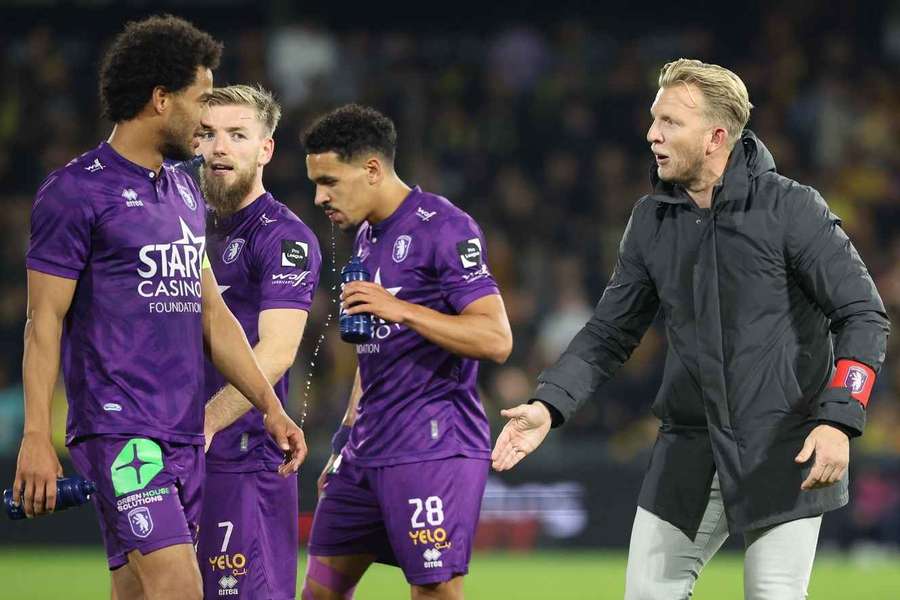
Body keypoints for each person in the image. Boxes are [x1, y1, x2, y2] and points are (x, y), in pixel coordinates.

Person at [492, 58, 890, 600]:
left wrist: (840, 420)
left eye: (670, 122)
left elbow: (863, 315)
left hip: (784, 448)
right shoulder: (651, 220)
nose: (651, 134)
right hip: (688, 450)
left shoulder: (792, 209)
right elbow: (610, 331)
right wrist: (548, 405)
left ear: (716, 137)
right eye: (654, 119)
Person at [13, 16, 306, 600]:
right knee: (179, 587)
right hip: (120, 429)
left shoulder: (182, 192)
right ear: (160, 98)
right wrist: (35, 434)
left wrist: (271, 407)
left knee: (136, 591)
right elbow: (42, 322)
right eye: (201, 98)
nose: (206, 117)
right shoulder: (77, 191)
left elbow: (213, 315)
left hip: (179, 431)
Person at [300, 104, 513, 600]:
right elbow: (372, 355)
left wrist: (405, 310)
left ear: (372, 169)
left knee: (433, 590)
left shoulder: (444, 227)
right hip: (365, 449)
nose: (319, 196)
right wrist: (341, 443)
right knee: (321, 591)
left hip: (432, 445)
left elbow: (496, 338)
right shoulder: (367, 238)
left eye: (329, 180)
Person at [195, 84, 321, 600]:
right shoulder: (177, 224)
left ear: (265, 149)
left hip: (241, 462)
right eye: (207, 134)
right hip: (168, 457)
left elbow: (275, 353)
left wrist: (203, 422)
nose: (219, 147)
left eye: (237, 135)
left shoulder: (283, 238)